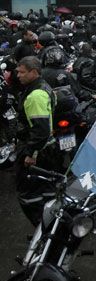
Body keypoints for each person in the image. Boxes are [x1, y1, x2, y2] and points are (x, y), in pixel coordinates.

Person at [14, 56, 54, 225]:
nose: (18, 75)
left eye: (22, 72)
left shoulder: (36, 95)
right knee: (47, 190)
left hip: (38, 151)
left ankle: (44, 229)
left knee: (29, 196)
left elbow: (41, 130)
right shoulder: (38, 87)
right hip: (47, 149)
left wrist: (31, 153)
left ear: (34, 72)